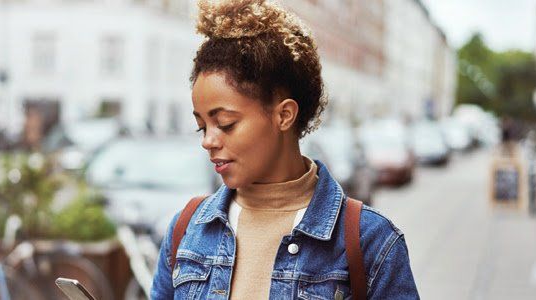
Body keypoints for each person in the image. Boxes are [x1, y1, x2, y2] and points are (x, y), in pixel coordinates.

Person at [150, 0, 419, 298]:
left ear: (284, 115)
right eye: (202, 126)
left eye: (225, 123)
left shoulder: (371, 242)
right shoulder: (186, 229)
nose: (208, 140)